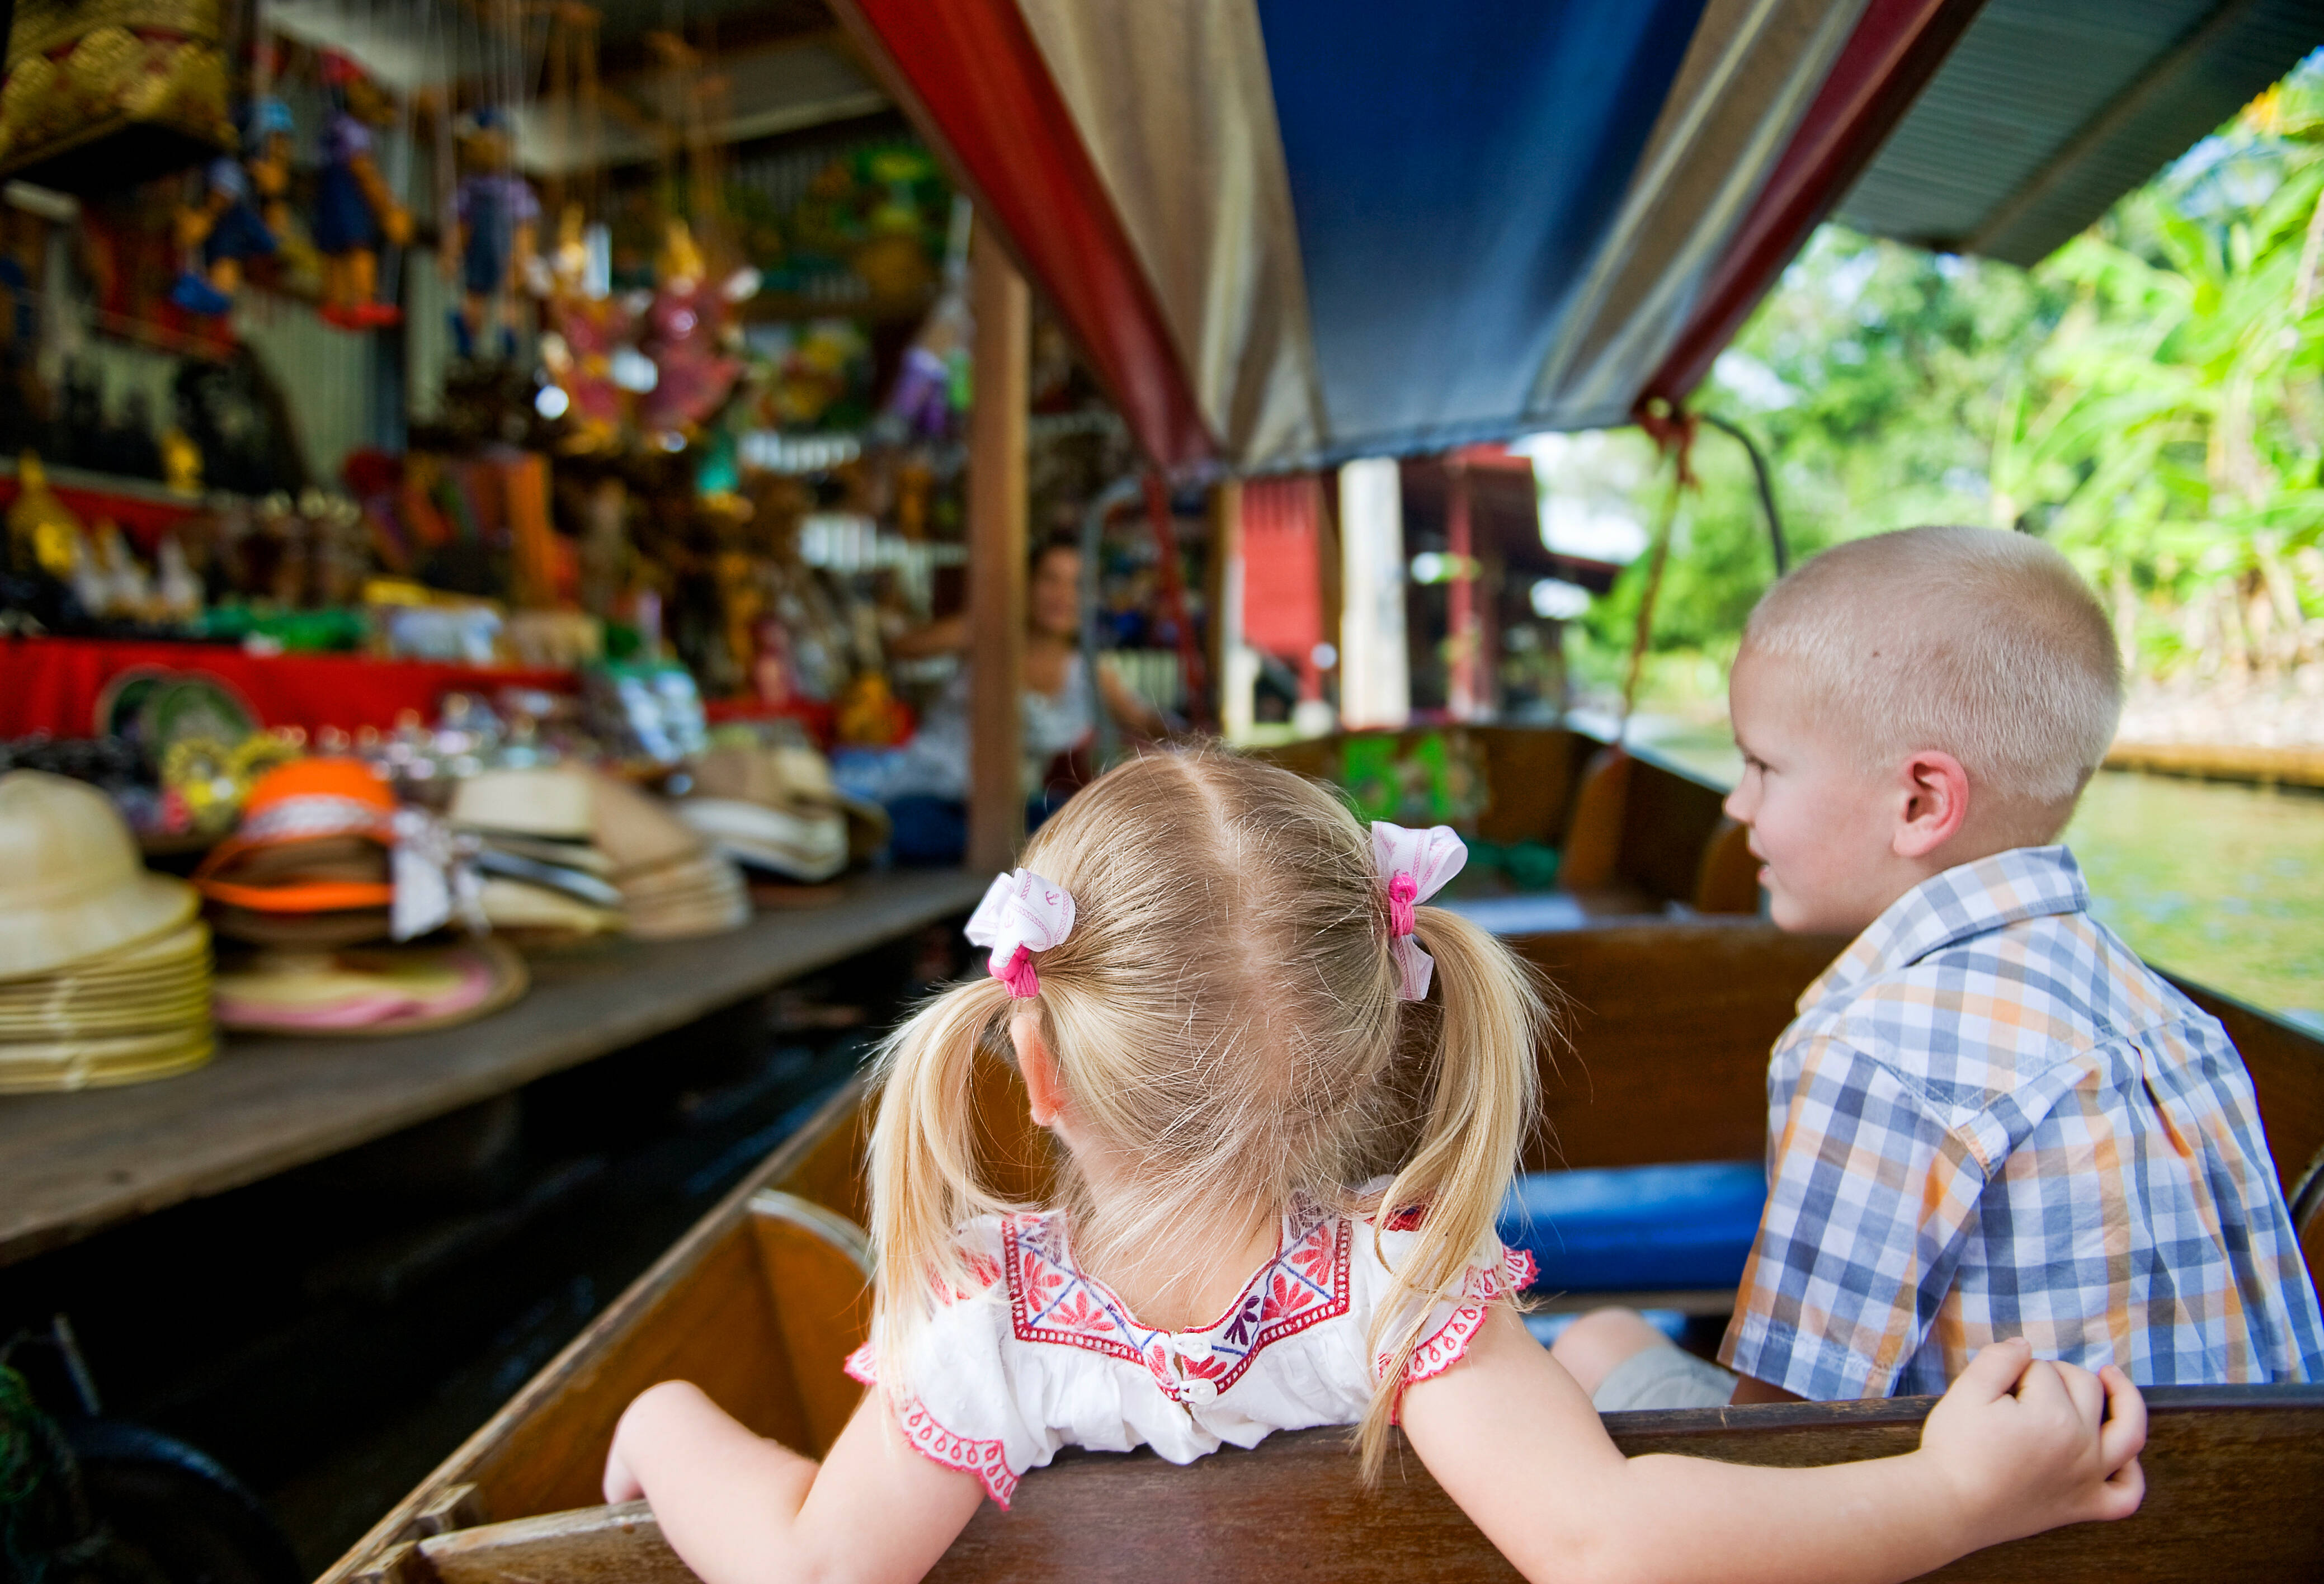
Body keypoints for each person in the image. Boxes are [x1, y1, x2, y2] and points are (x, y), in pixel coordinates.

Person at [604, 750, 2144, 1584]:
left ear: (1037, 1066)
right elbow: (1607, 1547)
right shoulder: (1399, 1292)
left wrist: (671, 1424)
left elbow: (810, 1573)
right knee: (1620, 1351)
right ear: (1369, 1046)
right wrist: (1948, 1494)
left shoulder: (979, 1332)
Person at [1554, 526, 2324, 1413]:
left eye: (1762, 765)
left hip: (1993, 1541)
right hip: (2233, 1520)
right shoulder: (2172, 1020)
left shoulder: (1867, 1052)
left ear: (1919, 802)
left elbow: (1784, 1432)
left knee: (1592, 1338)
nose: (1735, 803)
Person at [879, 534, 1169, 863]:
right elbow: (900, 649)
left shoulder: (1088, 672)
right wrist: (979, 627)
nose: (1063, 595)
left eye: (1077, 585)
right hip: (929, 800)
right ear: (1027, 587)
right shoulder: (986, 633)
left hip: (1006, 815)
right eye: (1050, 580)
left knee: (1085, 825)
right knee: (919, 834)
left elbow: (1147, 722)